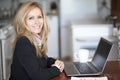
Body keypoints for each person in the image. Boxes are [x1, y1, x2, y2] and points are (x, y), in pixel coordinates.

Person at [9, 1, 64, 80]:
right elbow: (38, 76)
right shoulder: (24, 42)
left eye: (39, 17)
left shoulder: (35, 38)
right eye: (31, 18)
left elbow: (42, 60)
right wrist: (57, 69)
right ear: (23, 21)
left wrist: (55, 61)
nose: (37, 22)